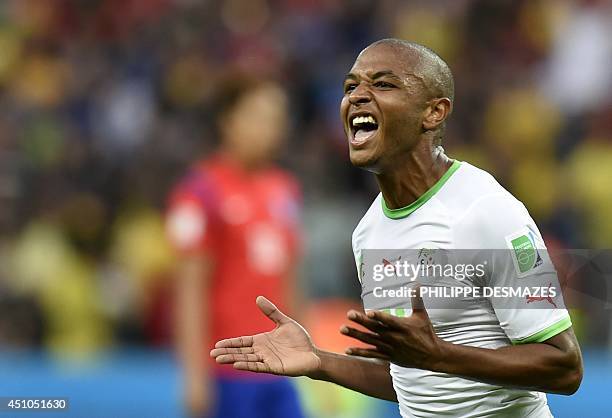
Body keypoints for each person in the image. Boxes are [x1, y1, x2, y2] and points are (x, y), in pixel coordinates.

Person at [210, 39, 583, 418]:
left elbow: (565, 366)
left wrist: (439, 354)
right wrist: (319, 362)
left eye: (383, 84)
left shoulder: (487, 211)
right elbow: (412, 379)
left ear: (434, 112)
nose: (357, 96)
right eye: (350, 86)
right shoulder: (369, 232)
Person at [166, 75, 304, 418]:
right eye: (258, 117)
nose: (270, 129)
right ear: (228, 120)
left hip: (279, 367)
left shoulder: (284, 189)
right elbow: (189, 289)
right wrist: (194, 377)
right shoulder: (201, 191)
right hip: (229, 371)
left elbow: (293, 276)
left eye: (276, 119)